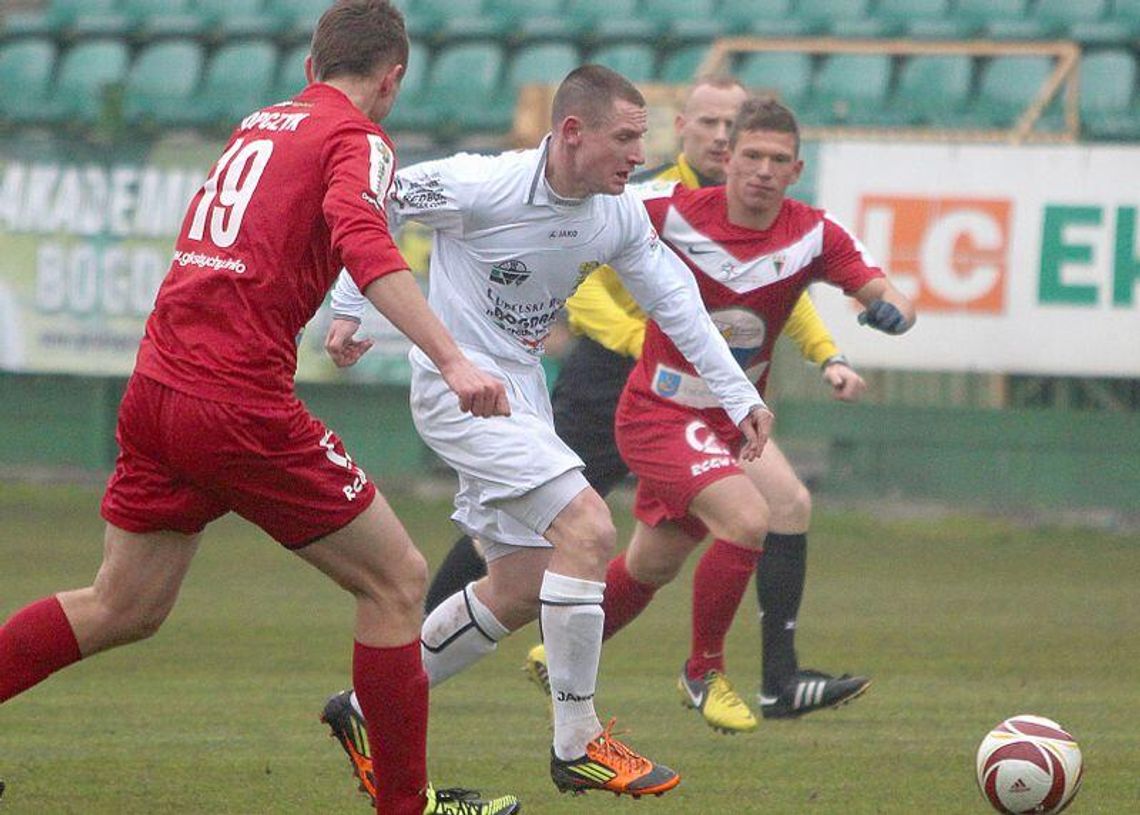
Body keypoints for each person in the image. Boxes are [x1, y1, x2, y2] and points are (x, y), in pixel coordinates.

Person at [0, 3, 518, 814]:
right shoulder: (360, 136)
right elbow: (361, 232)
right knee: (397, 581)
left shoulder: (261, 123)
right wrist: (451, 358)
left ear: (313, 67)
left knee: (122, 604)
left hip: (156, 388)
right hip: (234, 400)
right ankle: (406, 807)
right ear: (393, 79)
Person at [324, 65, 773, 800]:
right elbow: (370, 204)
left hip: (521, 393)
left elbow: (677, 302)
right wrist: (348, 304)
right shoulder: (481, 184)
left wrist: (735, 393)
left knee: (523, 583)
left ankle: (366, 705)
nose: (639, 153)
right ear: (573, 132)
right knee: (590, 527)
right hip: (456, 384)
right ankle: (577, 741)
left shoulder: (616, 211)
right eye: (627, 138)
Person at [417, 76, 870, 734]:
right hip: (609, 380)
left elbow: (765, 295)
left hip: (694, 399)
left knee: (640, 552)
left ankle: (771, 675)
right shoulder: (642, 195)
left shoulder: (717, 207)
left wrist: (822, 355)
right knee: (563, 529)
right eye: (712, 124)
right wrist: (634, 339)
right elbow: (582, 276)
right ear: (683, 126)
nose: (722, 136)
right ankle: (596, 721)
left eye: (732, 124)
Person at [598, 95, 914, 733]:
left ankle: (563, 642)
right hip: (659, 410)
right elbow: (579, 219)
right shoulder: (670, 210)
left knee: (655, 561)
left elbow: (893, 296)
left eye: (777, 160)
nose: (763, 170)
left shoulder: (814, 232)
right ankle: (705, 670)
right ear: (727, 158)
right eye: (751, 156)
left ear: (796, 170)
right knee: (751, 517)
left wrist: (889, 312)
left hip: (732, 424)